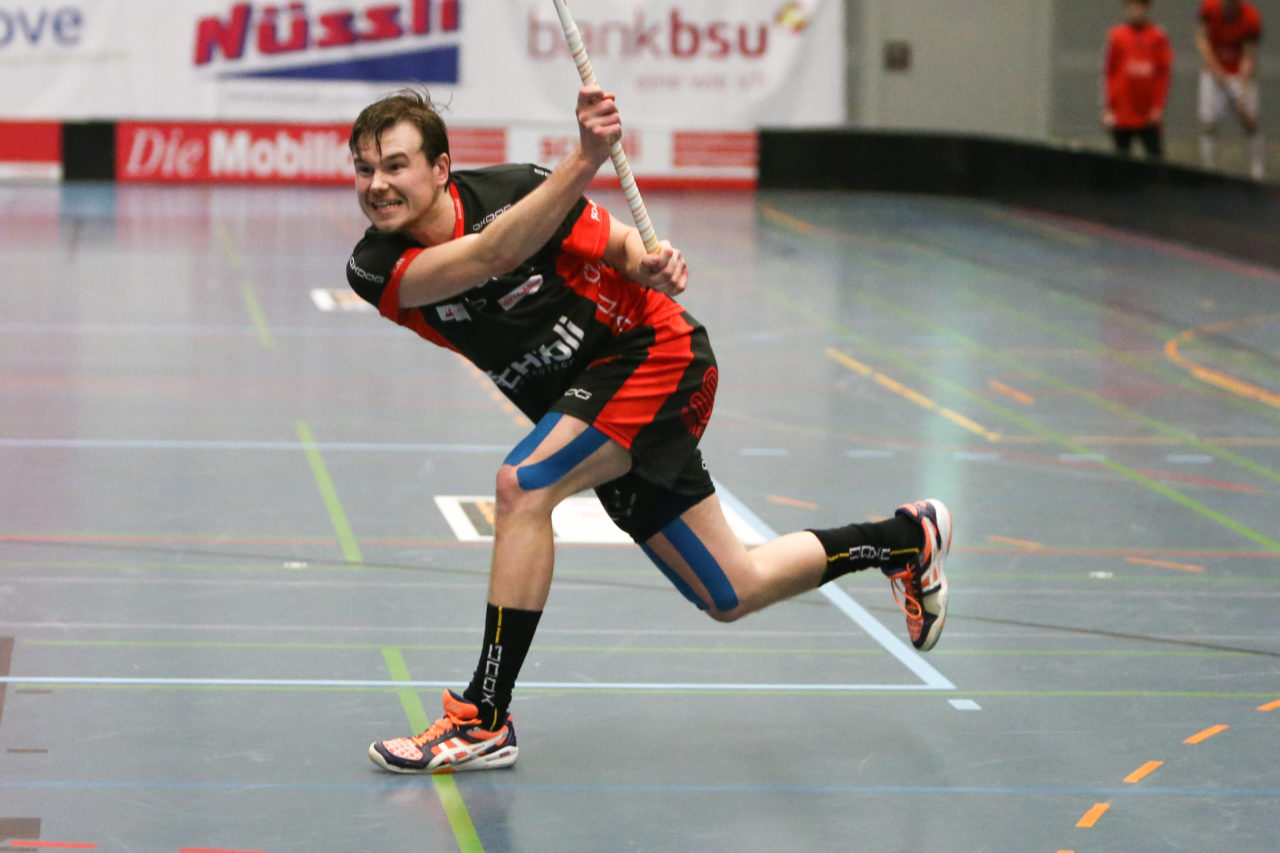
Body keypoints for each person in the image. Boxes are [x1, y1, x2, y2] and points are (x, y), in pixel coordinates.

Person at [344, 85, 952, 774]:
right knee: (733, 588)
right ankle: (905, 539)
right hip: (591, 401)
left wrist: (649, 261)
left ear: (441, 169)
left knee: (524, 484)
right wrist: (586, 157)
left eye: (395, 165)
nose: (378, 184)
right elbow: (488, 259)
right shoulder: (374, 266)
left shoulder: (516, 187)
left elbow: (622, 245)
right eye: (364, 169)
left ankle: (483, 715)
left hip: (655, 355)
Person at [1195, 0, 1265, 179]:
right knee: (1209, 122)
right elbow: (1201, 39)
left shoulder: (1251, 17)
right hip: (1213, 72)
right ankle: (1208, 169)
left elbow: (1249, 55)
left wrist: (1242, 89)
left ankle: (1257, 171)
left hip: (1238, 75)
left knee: (1250, 122)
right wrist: (1214, 68)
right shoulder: (1208, 8)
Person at [1102, 0, 1174, 159]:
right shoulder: (1116, 36)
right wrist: (1108, 107)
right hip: (1122, 112)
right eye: (1131, 5)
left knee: (1155, 158)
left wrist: (1158, 107)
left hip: (1147, 113)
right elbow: (1110, 73)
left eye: (1139, 5)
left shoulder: (1158, 36)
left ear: (1146, 7)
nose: (1135, 10)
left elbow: (1162, 75)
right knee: (1121, 160)